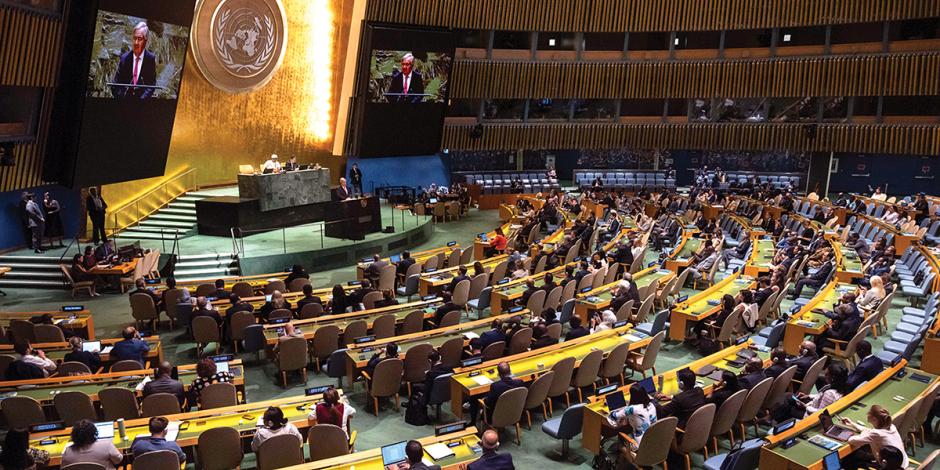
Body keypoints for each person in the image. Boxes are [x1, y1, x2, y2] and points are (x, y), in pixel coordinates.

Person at [773, 363, 848, 421]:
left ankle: (773, 420)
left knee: (785, 407)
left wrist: (806, 407)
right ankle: (771, 417)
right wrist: (808, 396)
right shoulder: (840, 387)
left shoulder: (830, 394)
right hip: (812, 406)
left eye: (826, 374)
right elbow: (821, 397)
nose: (824, 376)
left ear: (832, 378)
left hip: (809, 416)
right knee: (789, 396)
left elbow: (820, 413)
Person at [841, 406, 908, 470]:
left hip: (889, 467)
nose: (867, 414)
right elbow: (870, 431)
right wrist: (852, 424)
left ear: (874, 419)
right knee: (860, 454)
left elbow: (851, 440)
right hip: (900, 462)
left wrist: (863, 434)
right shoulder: (891, 426)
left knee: (849, 459)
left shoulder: (876, 434)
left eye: (868, 413)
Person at [607, 382, 658, 450]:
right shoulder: (651, 405)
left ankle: (624, 456)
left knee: (621, 436)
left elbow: (614, 416)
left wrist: (616, 411)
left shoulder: (632, 409)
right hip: (655, 439)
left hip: (640, 444)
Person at [112, 22, 156, 98]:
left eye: (139, 39)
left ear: (146, 40)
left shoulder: (150, 59)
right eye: (134, 38)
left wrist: (141, 101)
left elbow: (151, 85)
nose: (136, 42)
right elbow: (115, 84)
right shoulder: (125, 58)